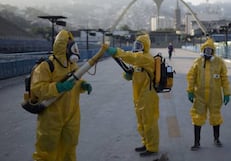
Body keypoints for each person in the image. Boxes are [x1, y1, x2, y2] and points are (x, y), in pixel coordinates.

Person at [31, 30, 92, 161]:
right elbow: (37, 89)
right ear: (62, 47)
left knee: (70, 147)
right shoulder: (46, 66)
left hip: (72, 114)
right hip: (51, 116)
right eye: (71, 47)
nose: (74, 50)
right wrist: (58, 87)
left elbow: (75, 82)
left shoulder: (72, 66)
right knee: (47, 150)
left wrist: (82, 85)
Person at [106, 34, 159, 157]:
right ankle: (145, 143)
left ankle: (152, 147)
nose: (137, 47)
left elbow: (130, 57)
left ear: (145, 47)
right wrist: (130, 75)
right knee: (141, 122)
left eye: (139, 45)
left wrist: (117, 51)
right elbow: (136, 72)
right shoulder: (139, 62)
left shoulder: (145, 58)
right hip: (139, 96)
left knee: (149, 123)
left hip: (148, 96)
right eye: (136, 45)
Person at [186, 38, 231, 151]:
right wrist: (190, 91)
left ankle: (216, 139)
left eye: (210, 50)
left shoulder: (219, 62)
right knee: (197, 117)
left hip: (214, 96)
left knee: (215, 116)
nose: (208, 52)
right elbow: (191, 77)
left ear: (213, 51)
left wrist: (227, 93)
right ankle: (197, 142)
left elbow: (224, 79)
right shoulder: (197, 62)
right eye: (206, 50)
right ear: (203, 50)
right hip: (200, 96)